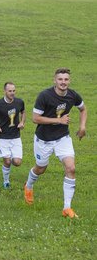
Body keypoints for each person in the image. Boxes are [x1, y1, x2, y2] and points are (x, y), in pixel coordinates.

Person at [24, 68, 87, 219]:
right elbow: (35, 118)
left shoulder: (73, 95)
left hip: (62, 138)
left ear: (69, 81)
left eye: (66, 79)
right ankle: (28, 185)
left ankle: (67, 208)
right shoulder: (44, 96)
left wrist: (82, 126)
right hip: (43, 140)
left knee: (71, 168)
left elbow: (83, 109)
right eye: (60, 79)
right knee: (40, 168)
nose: (63, 82)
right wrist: (58, 120)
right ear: (55, 80)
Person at [0, 82, 26, 189]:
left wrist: (22, 122)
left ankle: (10, 164)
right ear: (5, 91)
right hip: (3, 137)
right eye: (10, 91)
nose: (12, 93)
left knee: (17, 162)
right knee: (7, 160)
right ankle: (6, 181)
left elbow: (23, 112)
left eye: (14, 91)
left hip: (16, 136)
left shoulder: (19, 102)